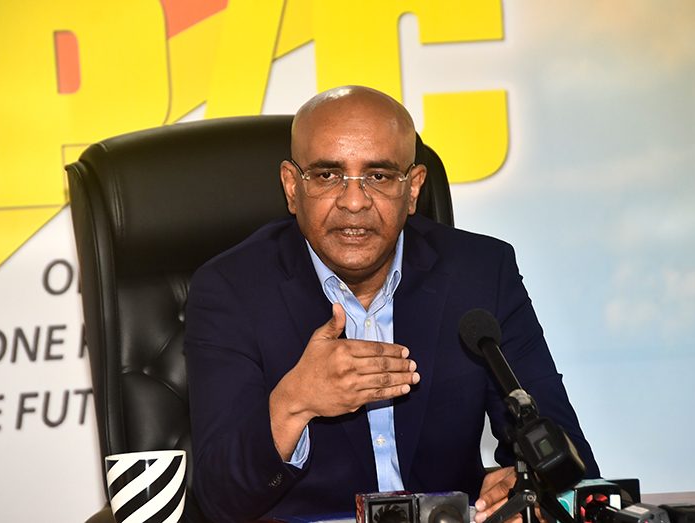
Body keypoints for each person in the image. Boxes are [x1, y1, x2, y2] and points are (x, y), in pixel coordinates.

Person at [184, 86, 599, 523]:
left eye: (379, 176)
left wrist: (528, 488)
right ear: (292, 186)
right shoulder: (230, 290)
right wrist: (295, 402)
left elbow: (571, 460)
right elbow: (219, 502)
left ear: (413, 187)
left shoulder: (480, 273)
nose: (354, 201)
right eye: (327, 175)